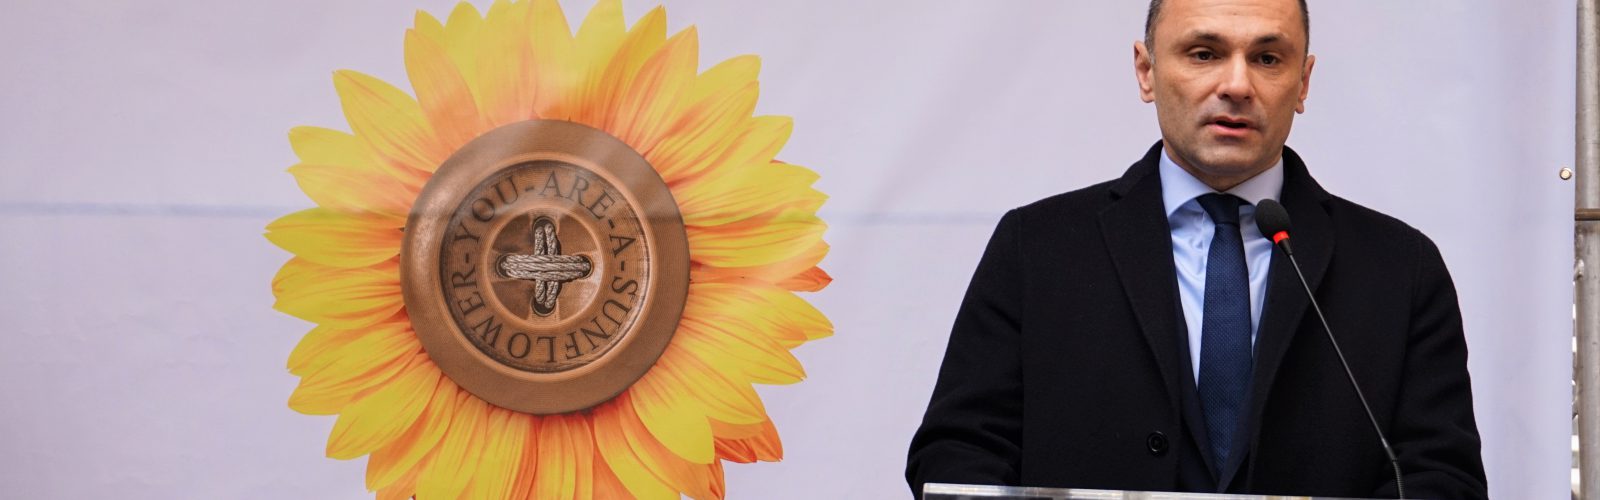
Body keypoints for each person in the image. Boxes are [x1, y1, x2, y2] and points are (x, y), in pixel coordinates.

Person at [904, 0, 1488, 498]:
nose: (1236, 85)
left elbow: (1440, 476)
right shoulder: (1037, 247)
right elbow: (959, 452)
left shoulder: (1400, 267)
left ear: (1304, 82)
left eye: (1267, 58)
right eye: (1204, 53)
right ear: (1146, 71)